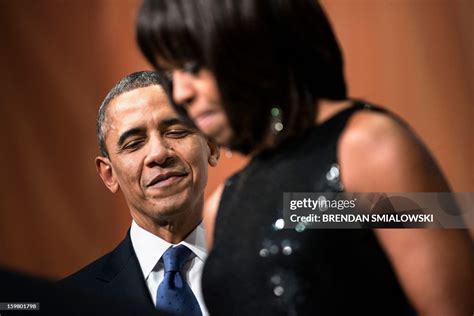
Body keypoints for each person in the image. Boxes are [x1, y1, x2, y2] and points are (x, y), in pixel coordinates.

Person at [135, 1, 474, 315]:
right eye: (170, 75)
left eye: (192, 66)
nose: (181, 93)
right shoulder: (220, 206)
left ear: (252, 41)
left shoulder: (369, 148)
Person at [60, 71, 219, 316]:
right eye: (133, 144)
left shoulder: (273, 264)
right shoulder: (68, 303)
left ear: (211, 146)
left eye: (176, 131)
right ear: (109, 175)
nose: (158, 154)